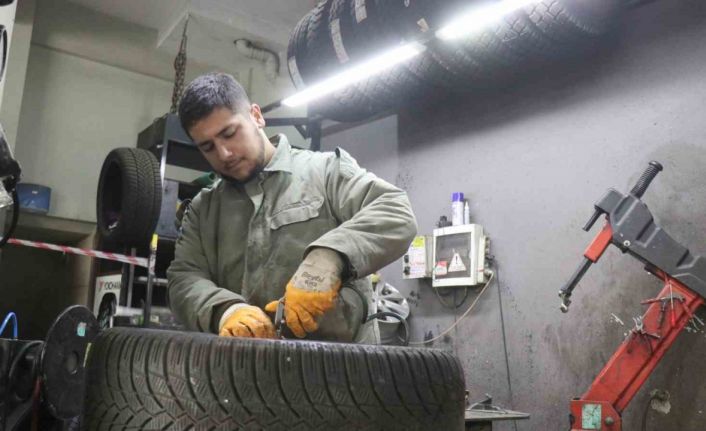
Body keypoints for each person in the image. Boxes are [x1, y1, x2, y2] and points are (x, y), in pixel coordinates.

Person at [167, 72, 417, 343]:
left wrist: (328, 259)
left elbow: (395, 211)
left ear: (256, 116)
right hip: (243, 363)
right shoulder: (203, 211)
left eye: (229, 133)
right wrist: (224, 311)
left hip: (342, 363)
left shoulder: (325, 172)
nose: (224, 153)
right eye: (208, 147)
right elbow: (184, 278)